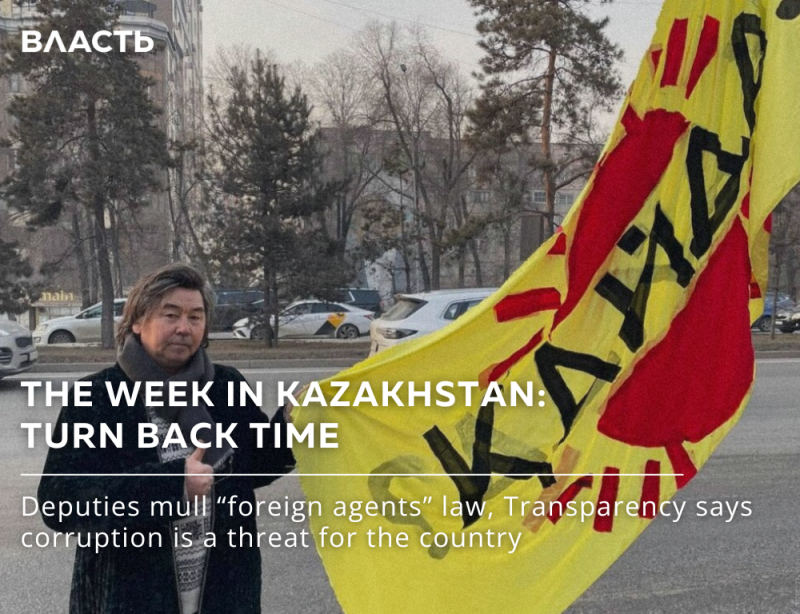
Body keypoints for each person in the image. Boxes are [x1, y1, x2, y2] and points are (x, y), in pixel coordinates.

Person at [38, 264, 295, 614]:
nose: (183, 328)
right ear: (137, 322)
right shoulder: (97, 395)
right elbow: (59, 501)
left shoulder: (225, 386)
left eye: (195, 317)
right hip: (131, 597)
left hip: (224, 593)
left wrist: (291, 422)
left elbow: (256, 464)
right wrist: (172, 484)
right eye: (170, 315)